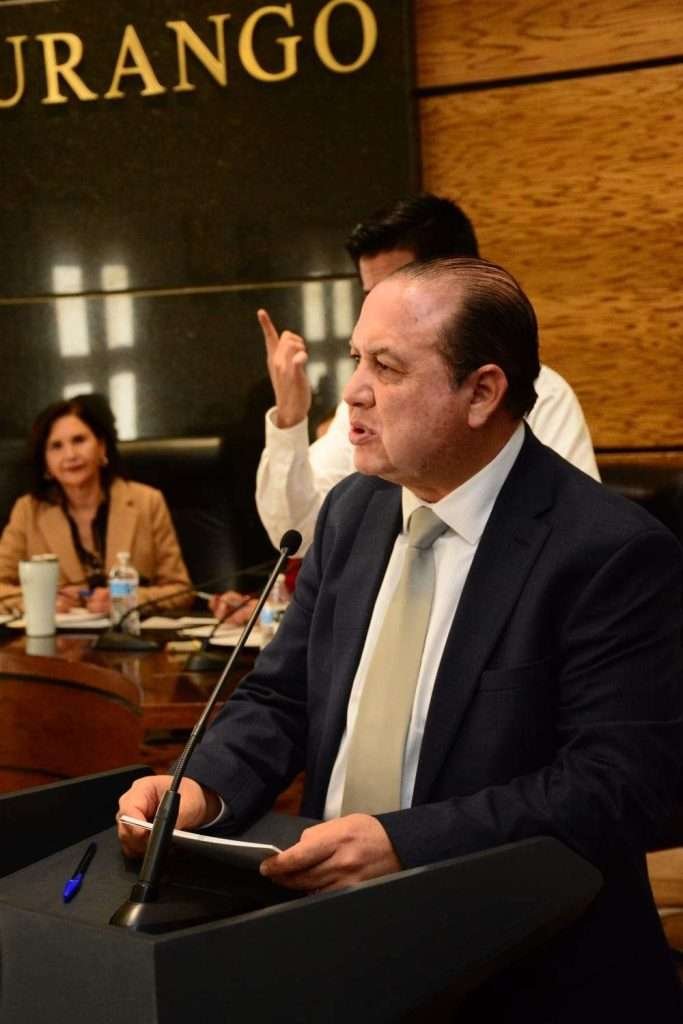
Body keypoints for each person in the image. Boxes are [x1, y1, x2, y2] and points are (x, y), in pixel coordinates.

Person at [119, 258, 683, 1019]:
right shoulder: (352, 512)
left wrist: (406, 844)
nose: (353, 391)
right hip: (342, 948)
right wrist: (203, 789)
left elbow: (616, 786)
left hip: (526, 966)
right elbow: (283, 698)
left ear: (481, 392)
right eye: (356, 358)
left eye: (386, 368)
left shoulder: (607, 550)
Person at [255, 193, 600, 555]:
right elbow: (297, 533)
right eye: (370, 294)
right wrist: (290, 419)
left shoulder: (545, 397)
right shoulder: (366, 410)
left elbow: (573, 541)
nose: (352, 392)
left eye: (398, 288)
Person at [0, 394, 192, 614]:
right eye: (56, 446)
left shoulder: (147, 502)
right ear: (45, 463)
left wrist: (127, 598)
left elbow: (181, 591)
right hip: (58, 634)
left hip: (129, 633)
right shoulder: (28, 511)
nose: (70, 455)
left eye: (79, 440)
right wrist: (39, 600)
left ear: (101, 447)